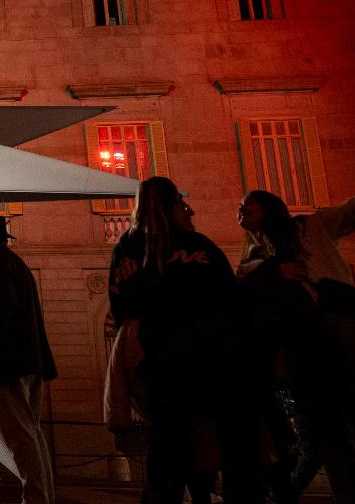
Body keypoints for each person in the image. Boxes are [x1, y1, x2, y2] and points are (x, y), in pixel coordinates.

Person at [237, 168, 355, 504]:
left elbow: (353, 211)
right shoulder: (253, 258)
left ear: (269, 208)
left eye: (247, 205)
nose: (240, 210)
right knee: (330, 431)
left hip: (345, 326)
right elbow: (243, 285)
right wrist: (271, 271)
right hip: (302, 343)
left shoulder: (309, 227)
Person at [111, 177, 261, 504]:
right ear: (176, 206)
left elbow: (121, 307)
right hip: (215, 362)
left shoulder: (129, 247)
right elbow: (231, 301)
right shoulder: (201, 247)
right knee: (222, 443)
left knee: (167, 449)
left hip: (162, 363)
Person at [0, 212, 57, 504]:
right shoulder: (13, 264)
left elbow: (0, 309)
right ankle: (42, 497)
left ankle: (36, 499)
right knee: (31, 433)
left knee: (20, 437)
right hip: (28, 362)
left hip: (8, 365)